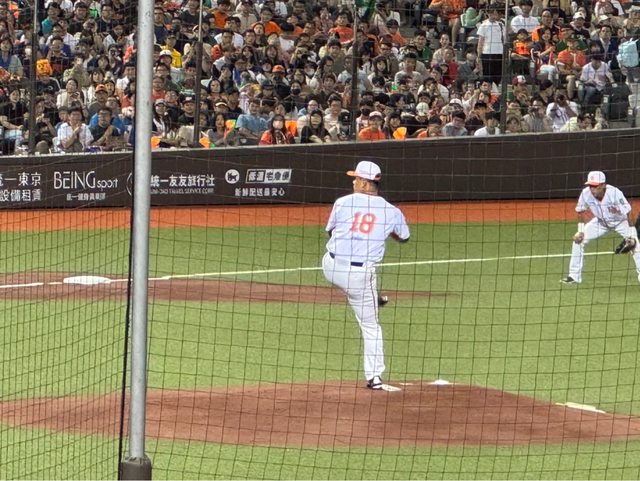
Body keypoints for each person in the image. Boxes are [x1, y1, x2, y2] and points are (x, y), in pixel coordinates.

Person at [321, 160, 410, 390]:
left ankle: (371, 296)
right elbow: (404, 237)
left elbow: (330, 231)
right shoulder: (391, 211)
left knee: (354, 284)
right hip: (359, 276)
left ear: (364, 183)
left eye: (356, 178)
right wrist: (383, 230)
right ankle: (374, 377)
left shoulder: (342, 202)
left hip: (330, 266)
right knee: (371, 326)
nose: (353, 181)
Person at [562, 171, 640, 284]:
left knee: (636, 245)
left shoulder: (615, 193)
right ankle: (574, 276)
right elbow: (580, 211)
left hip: (620, 222)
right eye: (590, 186)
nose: (592, 189)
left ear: (603, 185)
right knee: (578, 241)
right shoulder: (585, 193)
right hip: (600, 223)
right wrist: (580, 231)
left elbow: (628, 212)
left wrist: (632, 234)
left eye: (595, 186)